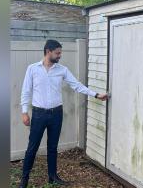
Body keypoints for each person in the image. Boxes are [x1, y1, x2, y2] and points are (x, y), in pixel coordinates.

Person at [18, 39, 108, 188]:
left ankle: (52, 177)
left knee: (53, 147)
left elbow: (76, 85)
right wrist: (24, 112)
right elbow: (26, 91)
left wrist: (96, 94)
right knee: (32, 147)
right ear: (48, 52)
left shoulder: (62, 70)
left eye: (60, 53)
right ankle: (24, 179)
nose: (60, 55)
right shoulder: (32, 69)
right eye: (57, 53)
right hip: (39, 115)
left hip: (56, 115)